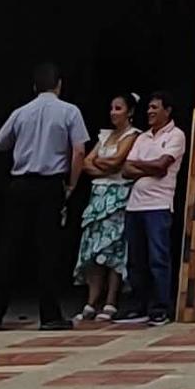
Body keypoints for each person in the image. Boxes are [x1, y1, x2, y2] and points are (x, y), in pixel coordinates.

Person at [0, 62, 89, 328]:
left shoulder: (21, 112)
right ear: (59, 85)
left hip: (19, 184)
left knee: (8, 247)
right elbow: (79, 150)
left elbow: (0, 143)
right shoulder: (70, 111)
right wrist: (71, 185)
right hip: (50, 185)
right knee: (48, 250)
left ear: (35, 86)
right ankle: (49, 315)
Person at [121, 89, 188, 324]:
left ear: (167, 111)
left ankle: (160, 307)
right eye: (149, 108)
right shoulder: (142, 137)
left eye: (155, 108)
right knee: (135, 259)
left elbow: (162, 166)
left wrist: (140, 165)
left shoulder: (176, 135)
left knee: (158, 258)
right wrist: (146, 166)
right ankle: (138, 306)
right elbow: (126, 169)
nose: (149, 112)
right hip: (135, 206)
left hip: (158, 205)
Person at [75, 93, 137, 323]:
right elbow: (86, 163)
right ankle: (91, 301)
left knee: (114, 250)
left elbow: (117, 161)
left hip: (118, 197)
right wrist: (105, 168)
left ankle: (111, 300)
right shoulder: (104, 136)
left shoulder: (132, 136)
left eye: (118, 108)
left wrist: (103, 165)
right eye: (111, 108)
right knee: (94, 250)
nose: (113, 112)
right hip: (98, 197)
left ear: (129, 112)